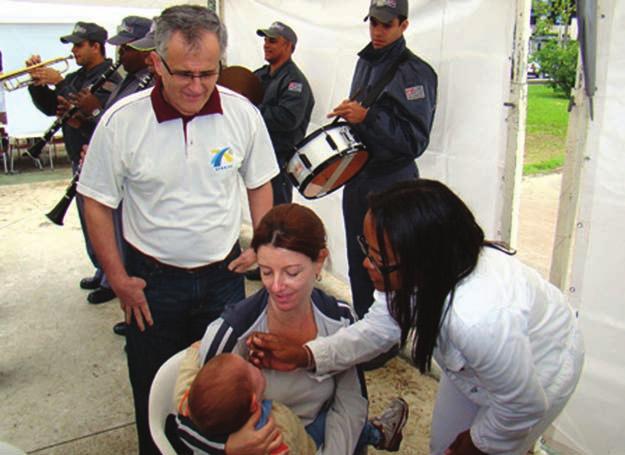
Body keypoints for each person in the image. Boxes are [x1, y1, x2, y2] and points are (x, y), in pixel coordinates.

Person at [249, 179, 585, 455]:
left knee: (490, 446)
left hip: (540, 370)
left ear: (421, 260)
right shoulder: (418, 270)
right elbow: (379, 328)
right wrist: (307, 354)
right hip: (484, 368)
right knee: (443, 446)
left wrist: (479, 443)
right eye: (367, 249)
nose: (367, 265)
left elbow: (523, 405)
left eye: (378, 257)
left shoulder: (479, 319)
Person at [76, 6, 278, 454]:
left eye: (208, 73)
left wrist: (262, 246)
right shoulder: (122, 121)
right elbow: (96, 202)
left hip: (223, 278)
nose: (197, 86)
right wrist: (120, 279)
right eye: (184, 74)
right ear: (156, 63)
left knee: (221, 392)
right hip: (151, 282)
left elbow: (260, 182)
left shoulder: (242, 114)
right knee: (153, 388)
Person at [175, 203, 409, 454]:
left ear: (319, 262)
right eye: (266, 272)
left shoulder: (339, 319)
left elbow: (351, 404)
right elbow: (185, 424)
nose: (276, 286)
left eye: (292, 272)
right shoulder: (232, 332)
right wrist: (227, 447)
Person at [329, 0, 437, 322]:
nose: (377, 31)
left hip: (394, 182)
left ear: (404, 25)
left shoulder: (415, 72)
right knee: (358, 259)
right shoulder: (366, 61)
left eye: (386, 24)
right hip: (360, 176)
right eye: (373, 22)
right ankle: (366, 324)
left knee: (392, 263)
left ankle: (392, 330)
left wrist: (367, 117)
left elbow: (414, 140)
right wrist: (350, 114)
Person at [26, 21, 121, 304]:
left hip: (100, 157)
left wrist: (59, 81)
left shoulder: (111, 77)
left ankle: (111, 276)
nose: (74, 51)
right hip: (78, 154)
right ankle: (100, 266)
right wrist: (37, 84)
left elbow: (96, 113)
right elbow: (52, 108)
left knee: (105, 221)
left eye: (79, 45)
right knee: (88, 220)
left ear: (96, 46)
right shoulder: (78, 77)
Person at [175, 348, 316, 454]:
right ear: (254, 403)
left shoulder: (193, 408)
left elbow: (184, 384)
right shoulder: (271, 437)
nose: (250, 362)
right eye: (249, 367)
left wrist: (193, 354)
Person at [254, 21, 315, 206]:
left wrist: (252, 110)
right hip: (259, 157)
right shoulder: (260, 75)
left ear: (288, 46)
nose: (266, 44)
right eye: (265, 40)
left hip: (279, 161)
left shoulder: (295, 81)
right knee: (261, 213)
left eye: (272, 40)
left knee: (278, 215)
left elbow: (288, 118)